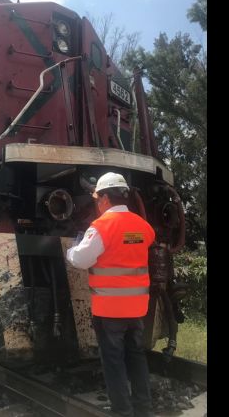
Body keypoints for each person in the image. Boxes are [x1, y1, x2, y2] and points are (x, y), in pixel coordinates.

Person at [66, 172, 155, 417]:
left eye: (98, 198)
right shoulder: (142, 226)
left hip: (110, 311)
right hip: (136, 309)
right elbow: (141, 241)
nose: (97, 203)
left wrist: (72, 250)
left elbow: (82, 260)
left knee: (114, 362)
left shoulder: (102, 226)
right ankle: (143, 407)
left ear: (105, 198)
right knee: (136, 356)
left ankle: (122, 411)